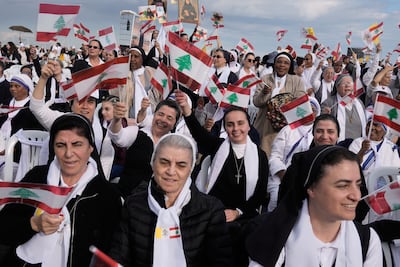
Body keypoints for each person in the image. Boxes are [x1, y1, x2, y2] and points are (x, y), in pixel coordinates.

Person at [0, 113, 122, 267]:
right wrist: (33, 224)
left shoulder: (105, 195)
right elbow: (4, 228)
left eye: (77, 144)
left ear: (91, 147)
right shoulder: (37, 178)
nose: (68, 154)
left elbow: (110, 251)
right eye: (60, 145)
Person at [246, 145, 382, 266]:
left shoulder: (368, 241)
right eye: (343, 186)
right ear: (311, 188)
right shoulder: (274, 239)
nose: (356, 196)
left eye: (358, 185)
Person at [109, 133, 232, 266]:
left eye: (181, 165)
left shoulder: (210, 210)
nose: (171, 171)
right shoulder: (134, 205)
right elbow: (119, 254)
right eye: (164, 162)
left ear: (190, 169)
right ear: (153, 163)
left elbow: (220, 261)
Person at [176, 90, 268, 266]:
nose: (236, 129)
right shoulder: (218, 146)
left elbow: (260, 193)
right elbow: (199, 135)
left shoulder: (260, 156)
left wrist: (237, 212)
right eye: (230, 124)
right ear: (225, 128)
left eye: (240, 123)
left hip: (244, 217)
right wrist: (188, 111)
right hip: (214, 213)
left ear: (249, 126)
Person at [108, 99, 181, 197]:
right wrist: (116, 120)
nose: (163, 119)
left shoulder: (175, 145)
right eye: (160, 114)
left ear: (174, 124)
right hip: (127, 197)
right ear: (154, 115)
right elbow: (118, 136)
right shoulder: (136, 133)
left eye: (169, 118)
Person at [267, 97, 320, 211]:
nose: (309, 112)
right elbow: (275, 157)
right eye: (306, 109)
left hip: (308, 180)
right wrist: (285, 176)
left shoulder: (318, 132)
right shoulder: (287, 130)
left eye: (312, 110)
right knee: (276, 200)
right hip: (282, 177)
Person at [253, 51, 306, 156]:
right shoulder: (265, 79)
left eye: (286, 63)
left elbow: (301, 102)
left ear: (290, 66)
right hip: (265, 127)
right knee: (264, 155)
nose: (282, 65)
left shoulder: (297, 81)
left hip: (287, 127)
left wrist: (285, 102)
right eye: (279, 62)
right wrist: (264, 94)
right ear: (274, 64)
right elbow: (256, 102)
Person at [321, 74, 367, 143]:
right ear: (337, 87)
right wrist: (324, 115)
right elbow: (321, 123)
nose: (347, 85)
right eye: (344, 83)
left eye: (350, 83)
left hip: (358, 145)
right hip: (339, 145)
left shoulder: (359, 103)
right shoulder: (329, 103)